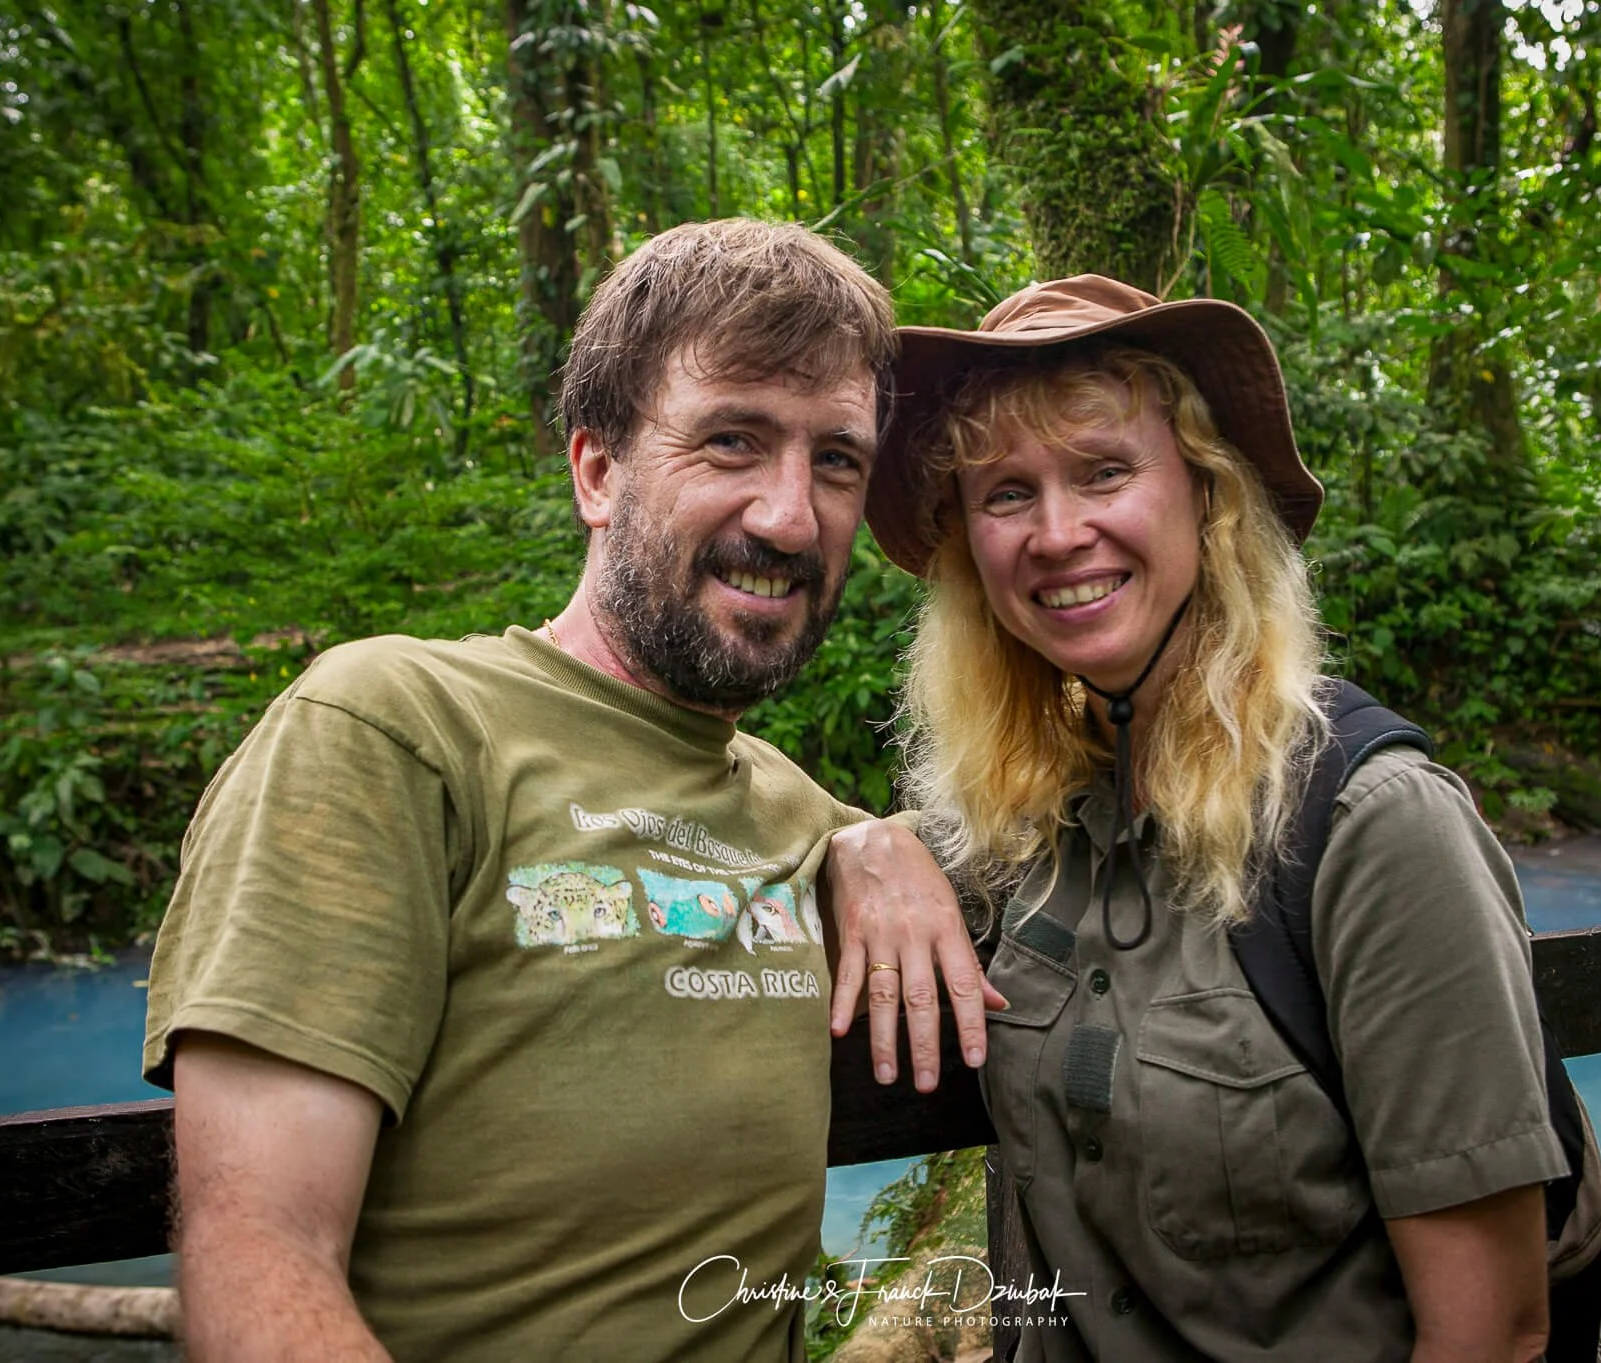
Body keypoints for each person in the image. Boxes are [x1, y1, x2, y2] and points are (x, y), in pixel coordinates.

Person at [142, 219, 996, 1363]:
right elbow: (255, 1260)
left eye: (834, 459)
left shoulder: (791, 808)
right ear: (596, 470)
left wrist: (874, 839)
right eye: (731, 441)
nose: (790, 515)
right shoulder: (393, 726)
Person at [860, 274, 1567, 1362]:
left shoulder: (1371, 825)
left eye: (1104, 471)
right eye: (1004, 494)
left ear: (1205, 493)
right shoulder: (1024, 824)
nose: (1056, 532)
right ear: (967, 548)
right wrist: (863, 842)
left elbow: (1496, 1333)